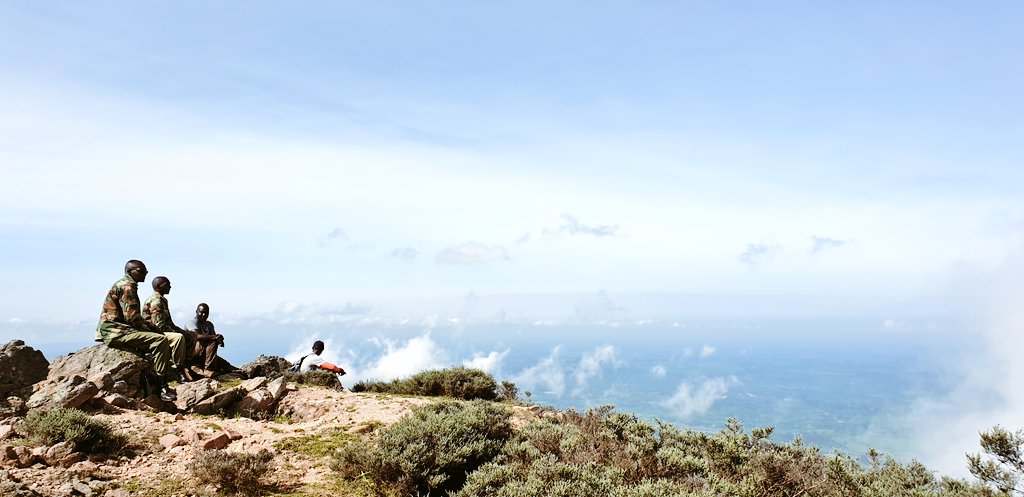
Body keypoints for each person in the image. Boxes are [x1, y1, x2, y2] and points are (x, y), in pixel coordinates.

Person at [95, 260, 177, 401]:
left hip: (118, 329)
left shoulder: (127, 285)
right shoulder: (127, 287)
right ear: (129, 271)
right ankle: (162, 387)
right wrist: (151, 328)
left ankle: (152, 379)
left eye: (145, 271)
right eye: (141, 271)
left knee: (154, 339)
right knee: (160, 340)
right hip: (115, 331)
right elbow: (132, 318)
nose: (144, 273)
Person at [142, 276, 198, 381]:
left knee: (192, 336)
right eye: (167, 285)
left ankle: (186, 366)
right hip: (154, 333)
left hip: (162, 330)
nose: (170, 287)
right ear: (158, 286)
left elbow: (169, 323)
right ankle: (179, 369)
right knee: (178, 338)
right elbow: (159, 326)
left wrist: (183, 332)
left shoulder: (162, 300)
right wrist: (178, 333)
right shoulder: (156, 301)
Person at [186, 303, 226, 378]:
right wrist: (215, 337)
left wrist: (219, 339)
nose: (204, 315)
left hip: (205, 354)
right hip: (192, 353)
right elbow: (197, 336)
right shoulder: (192, 323)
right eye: (201, 312)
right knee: (212, 340)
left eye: (206, 313)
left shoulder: (209, 324)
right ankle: (208, 370)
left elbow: (214, 337)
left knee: (225, 364)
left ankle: (241, 372)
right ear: (196, 311)